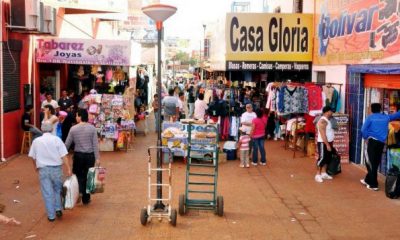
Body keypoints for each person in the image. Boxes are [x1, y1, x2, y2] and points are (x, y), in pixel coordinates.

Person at [28, 122, 71, 222]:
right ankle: (58, 208)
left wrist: (35, 167)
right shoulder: (57, 140)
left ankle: (51, 216)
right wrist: (68, 168)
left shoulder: (36, 141)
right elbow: (64, 155)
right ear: (52, 129)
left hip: (43, 169)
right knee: (58, 189)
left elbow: (32, 157)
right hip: (56, 169)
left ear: (42, 129)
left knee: (47, 192)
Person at [360, 103, 400, 190]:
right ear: (380, 109)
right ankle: (367, 180)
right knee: (375, 162)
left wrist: (365, 137)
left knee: (370, 163)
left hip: (372, 142)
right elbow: (397, 114)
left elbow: (363, 130)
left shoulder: (370, 117)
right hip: (381, 143)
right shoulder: (386, 117)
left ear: (372, 109)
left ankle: (373, 185)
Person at [65, 109, 99, 205]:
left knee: (79, 175)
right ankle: (86, 198)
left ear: (80, 117)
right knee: (89, 176)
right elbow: (95, 145)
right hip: (90, 156)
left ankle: (79, 191)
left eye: (77, 116)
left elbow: (67, 144)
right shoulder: (92, 128)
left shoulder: (73, 129)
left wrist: (62, 154)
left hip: (78, 156)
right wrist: (97, 158)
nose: (76, 117)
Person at [315, 106, 335, 183]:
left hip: (329, 142)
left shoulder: (327, 120)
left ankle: (324, 173)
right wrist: (327, 144)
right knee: (322, 159)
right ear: (326, 112)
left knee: (327, 158)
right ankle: (317, 175)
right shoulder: (322, 121)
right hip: (324, 143)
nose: (332, 113)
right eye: (331, 111)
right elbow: (322, 134)